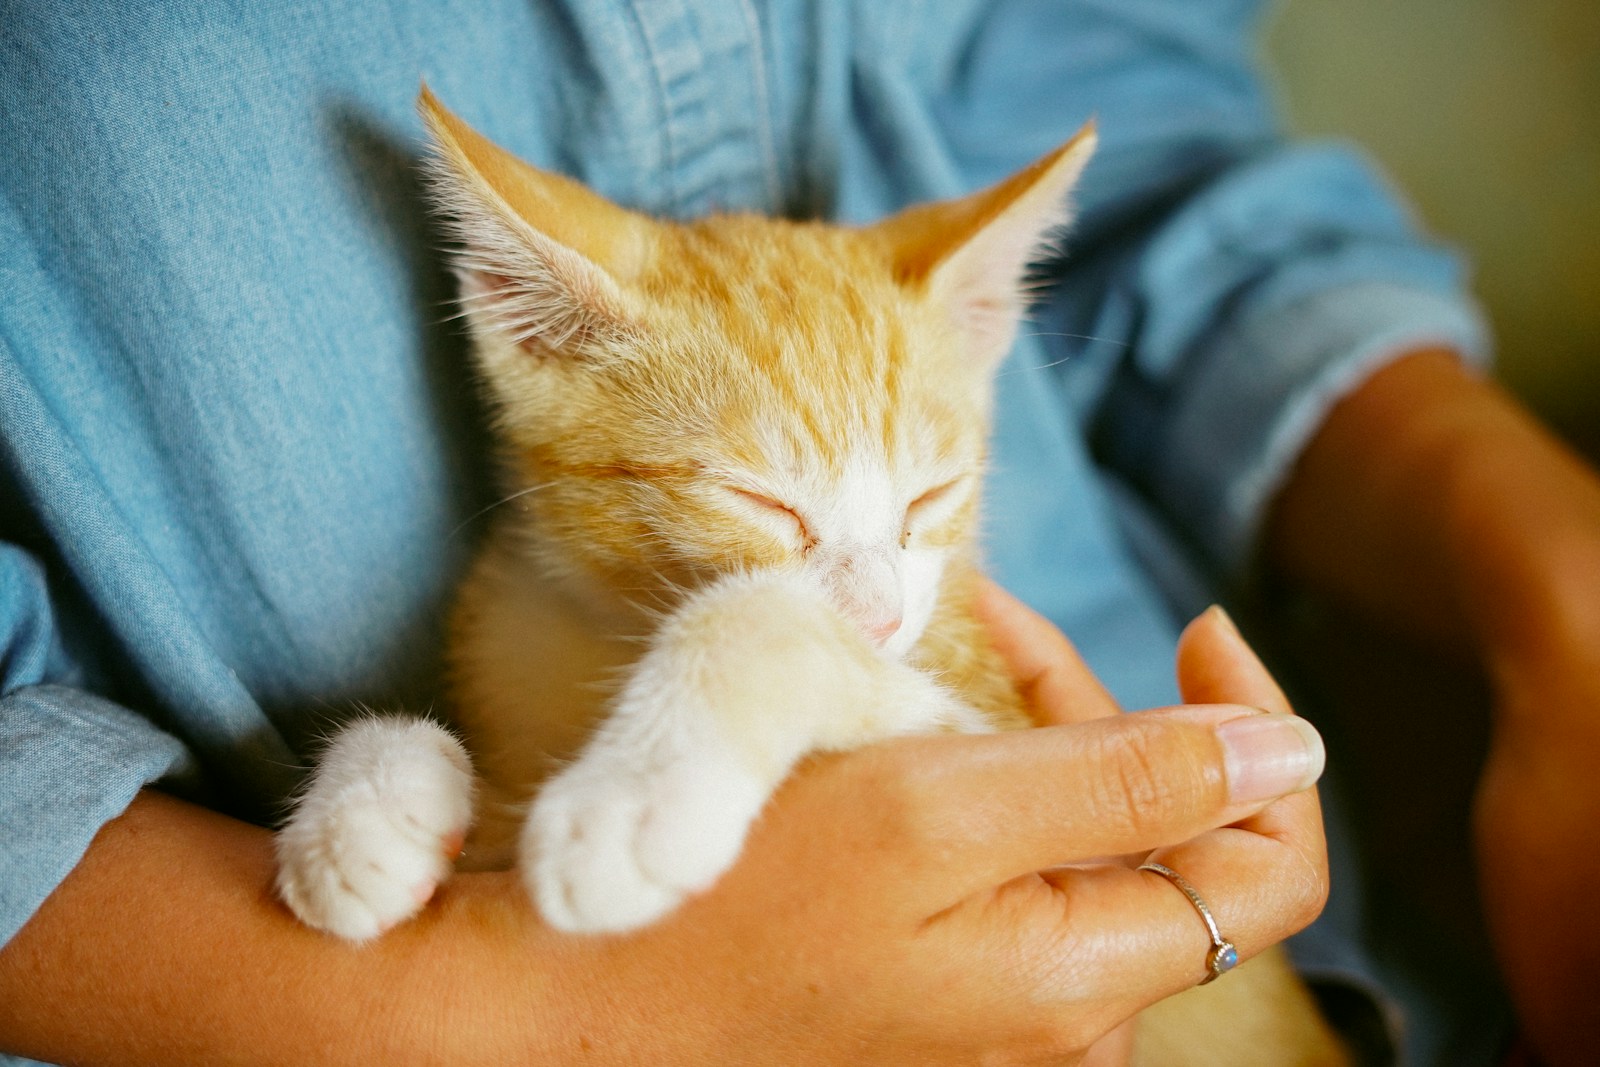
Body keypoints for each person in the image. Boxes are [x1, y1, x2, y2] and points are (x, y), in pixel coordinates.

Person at [0, 1, 1594, 1063]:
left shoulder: (890, 527)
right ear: (533, 336)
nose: (887, 598)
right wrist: (439, 947)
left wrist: (1561, 595)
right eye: (768, 508)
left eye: (926, 512)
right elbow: (559, 892)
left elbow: (1147, 150)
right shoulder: (529, 541)